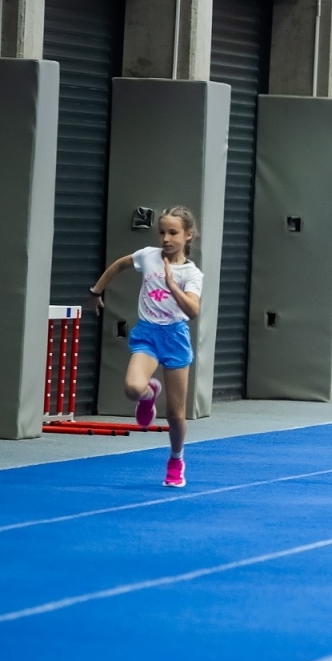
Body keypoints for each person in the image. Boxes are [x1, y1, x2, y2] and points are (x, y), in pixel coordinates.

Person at [89, 206, 203, 488]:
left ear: (188, 235)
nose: (166, 238)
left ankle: (176, 460)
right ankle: (148, 393)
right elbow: (119, 265)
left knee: (175, 414)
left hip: (175, 337)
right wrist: (96, 291)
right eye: (162, 232)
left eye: (173, 233)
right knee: (131, 389)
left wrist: (172, 285)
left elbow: (192, 311)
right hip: (148, 334)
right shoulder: (147, 256)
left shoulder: (192, 273)